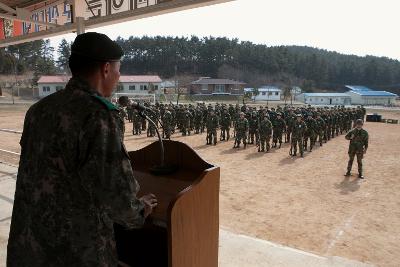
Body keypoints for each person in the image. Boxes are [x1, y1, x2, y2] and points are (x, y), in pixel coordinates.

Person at [7, 32, 158, 267]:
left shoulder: (39, 110)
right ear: (106, 69)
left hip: (30, 246)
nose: (119, 76)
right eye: (119, 69)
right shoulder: (98, 115)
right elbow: (116, 193)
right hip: (74, 251)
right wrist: (140, 210)